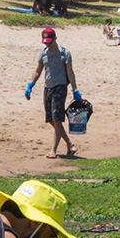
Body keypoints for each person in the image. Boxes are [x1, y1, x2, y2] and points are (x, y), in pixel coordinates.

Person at [25, 28, 80, 159]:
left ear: (55, 38)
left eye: (49, 42)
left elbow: (70, 72)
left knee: (57, 119)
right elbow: (38, 71)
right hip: (47, 88)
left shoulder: (64, 53)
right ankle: (70, 143)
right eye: (45, 43)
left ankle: (53, 150)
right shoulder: (43, 54)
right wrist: (30, 84)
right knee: (51, 120)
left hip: (60, 88)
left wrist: (75, 90)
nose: (47, 45)